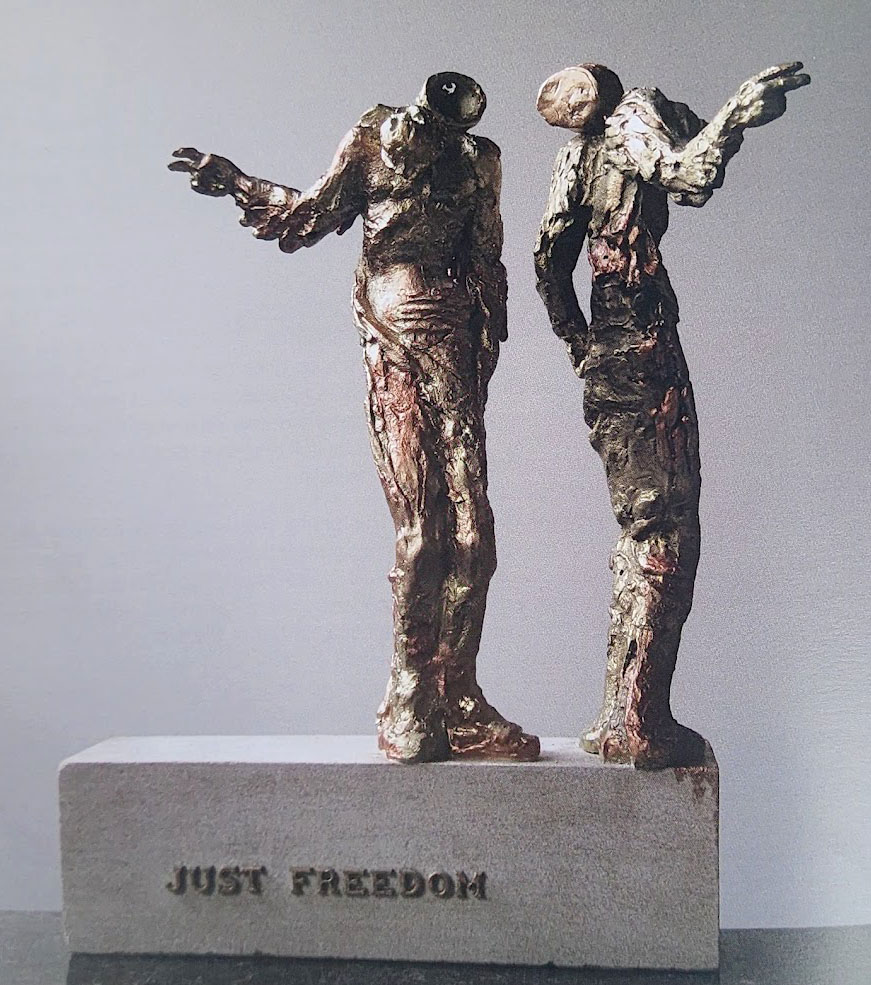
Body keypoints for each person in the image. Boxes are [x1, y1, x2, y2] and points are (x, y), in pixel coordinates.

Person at [169, 72, 539, 763]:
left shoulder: (478, 160)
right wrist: (238, 182)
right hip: (393, 339)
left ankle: (457, 696)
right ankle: (409, 697)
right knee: (423, 532)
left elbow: (486, 260)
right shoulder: (374, 139)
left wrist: (482, 343)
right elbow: (309, 216)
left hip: (454, 348)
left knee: (474, 537)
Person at [534, 62, 809, 767]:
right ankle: (642, 720)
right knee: (668, 530)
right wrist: (736, 113)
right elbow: (687, 174)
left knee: (640, 528)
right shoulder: (632, 117)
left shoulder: (574, 160)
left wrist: (582, 347)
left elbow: (548, 262)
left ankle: (616, 717)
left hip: (610, 343)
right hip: (643, 337)